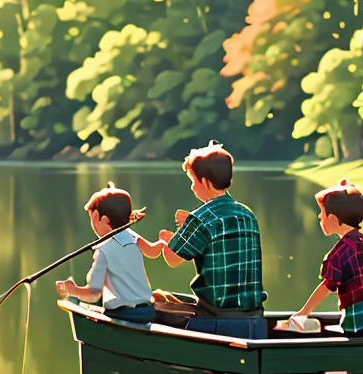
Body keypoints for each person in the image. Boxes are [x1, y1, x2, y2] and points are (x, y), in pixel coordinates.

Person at [151, 141, 267, 339]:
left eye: (193, 181)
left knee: (153, 301)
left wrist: (169, 238)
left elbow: (172, 259)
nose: (192, 187)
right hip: (253, 316)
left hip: (214, 317)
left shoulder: (200, 218)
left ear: (205, 182)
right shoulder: (247, 215)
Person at [286, 180, 363, 336]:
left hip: (362, 323)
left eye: (322, 214)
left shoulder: (338, 253)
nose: (319, 218)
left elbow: (327, 286)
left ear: (334, 220)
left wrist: (303, 312)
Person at [55, 182, 158, 323]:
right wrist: (162, 244)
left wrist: (71, 290)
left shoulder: (103, 250)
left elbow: (93, 294)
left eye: (93, 219)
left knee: (78, 302)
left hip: (125, 314)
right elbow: (152, 251)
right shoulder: (131, 236)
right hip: (147, 311)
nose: (93, 226)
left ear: (103, 219)